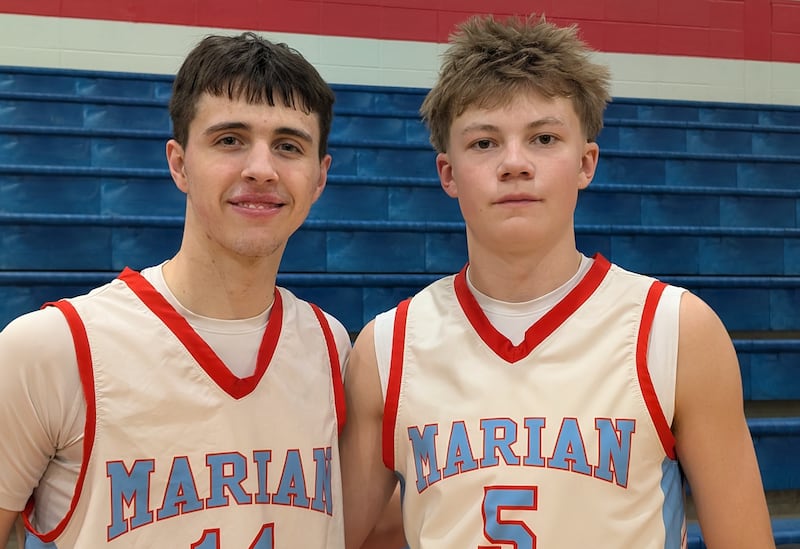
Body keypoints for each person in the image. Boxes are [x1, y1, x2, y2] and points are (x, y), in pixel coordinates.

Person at [341, 14, 776, 549]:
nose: (515, 163)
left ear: (586, 162)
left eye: (543, 138)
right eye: (484, 143)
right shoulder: (386, 349)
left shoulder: (675, 330)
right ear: (447, 173)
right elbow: (337, 535)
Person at [0, 32, 351, 547]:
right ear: (179, 162)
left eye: (288, 146)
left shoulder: (331, 346)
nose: (260, 169)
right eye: (229, 139)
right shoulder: (50, 349)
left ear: (319, 178)